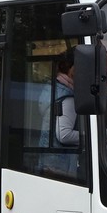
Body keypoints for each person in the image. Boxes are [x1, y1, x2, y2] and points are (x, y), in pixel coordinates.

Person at [39, 47, 80, 176]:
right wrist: (90, 137)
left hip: (49, 162)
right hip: (61, 167)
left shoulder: (52, 90)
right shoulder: (66, 97)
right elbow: (64, 135)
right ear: (71, 69)